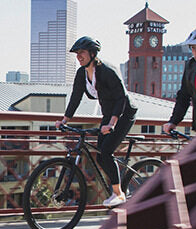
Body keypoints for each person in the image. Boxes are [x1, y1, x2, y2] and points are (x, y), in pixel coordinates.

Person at [55, 36, 137, 208]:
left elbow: (121, 98)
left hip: (124, 113)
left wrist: (112, 124)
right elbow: (75, 98)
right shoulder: (82, 73)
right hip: (108, 113)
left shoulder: (107, 71)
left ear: (92, 53)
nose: (79, 56)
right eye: (77, 53)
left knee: (106, 151)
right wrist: (64, 120)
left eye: (82, 53)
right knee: (100, 156)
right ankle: (118, 186)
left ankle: (119, 194)